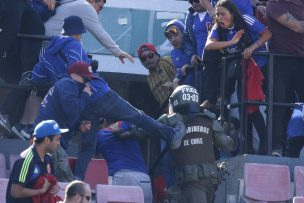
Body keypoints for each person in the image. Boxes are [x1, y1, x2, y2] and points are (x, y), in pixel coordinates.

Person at [68, 62, 186, 180]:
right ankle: (171, 135)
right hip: (102, 94)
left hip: (86, 104)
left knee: (88, 147)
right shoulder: (77, 56)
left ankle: (77, 179)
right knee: (139, 117)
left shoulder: (67, 77)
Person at [11, 15, 91, 140]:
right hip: (72, 89)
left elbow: (37, 77)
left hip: (56, 90)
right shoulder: (76, 46)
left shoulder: (49, 49)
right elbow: (79, 69)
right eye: (81, 34)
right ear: (77, 34)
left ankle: (28, 129)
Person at [158, 85, 233, 203]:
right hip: (210, 183)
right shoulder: (208, 119)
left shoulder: (171, 121)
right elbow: (227, 145)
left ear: (174, 102)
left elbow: (145, 130)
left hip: (190, 183)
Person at [33, 62, 93, 182]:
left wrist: (78, 126)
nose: (87, 83)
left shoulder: (64, 84)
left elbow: (64, 115)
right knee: (67, 186)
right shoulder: (68, 83)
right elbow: (72, 110)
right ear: (74, 75)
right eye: (85, 79)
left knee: (52, 184)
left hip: (47, 141)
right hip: (49, 141)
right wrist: (86, 95)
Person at [266, 0, 304, 153]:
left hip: (301, 62)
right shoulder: (274, 4)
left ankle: (295, 148)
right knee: (278, 105)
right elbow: (296, 26)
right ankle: (276, 147)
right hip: (281, 61)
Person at [43, 0, 134, 64]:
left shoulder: (75, 3)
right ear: (92, 1)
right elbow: (100, 33)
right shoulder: (85, 6)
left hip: (46, 42)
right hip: (51, 44)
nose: (98, 12)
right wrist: (118, 52)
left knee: (78, 40)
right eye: (100, 8)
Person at [6, 119, 66, 203]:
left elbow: (50, 182)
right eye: (57, 139)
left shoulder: (49, 159)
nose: (59, 143)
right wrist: (41, 191)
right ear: (47, 140)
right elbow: (15, 192)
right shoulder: (26, 160)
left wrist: (54, 188)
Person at [96, 120, 153, 203]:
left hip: (121, 176)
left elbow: (93, 158)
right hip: (144, 177)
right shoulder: (126, 125)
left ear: (104, 122)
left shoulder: (101, 135)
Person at [138, 43, 176, 114]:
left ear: (156, 55)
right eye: (143, 58)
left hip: (179, 103)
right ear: (142, 62)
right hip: (167, 111)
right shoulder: (149, 78)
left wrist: (173, 85)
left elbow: (182, 76)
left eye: (150, 56)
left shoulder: (165, 61)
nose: (148, 60)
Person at [164, 19, 200, 89]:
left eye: (176, 34)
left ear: (183, 32)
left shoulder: (193, 47)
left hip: (200, 91)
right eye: (170, 37)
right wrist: (173, 84)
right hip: (186, 94)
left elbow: (199, 64)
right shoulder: (173, 53)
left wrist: (189, 66)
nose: (173, 39)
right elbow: (180, 73)